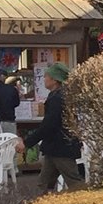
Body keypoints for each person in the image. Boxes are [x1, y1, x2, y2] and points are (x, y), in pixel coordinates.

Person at [33, 63, 81, 191]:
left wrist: (28, 141)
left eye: (46, 76)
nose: (44, 79)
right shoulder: (61, 95)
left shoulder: (58, 98)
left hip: (61, 146)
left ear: (54, 80)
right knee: (43, 183)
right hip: (56, 146)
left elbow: (49, 124)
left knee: (74, 182)